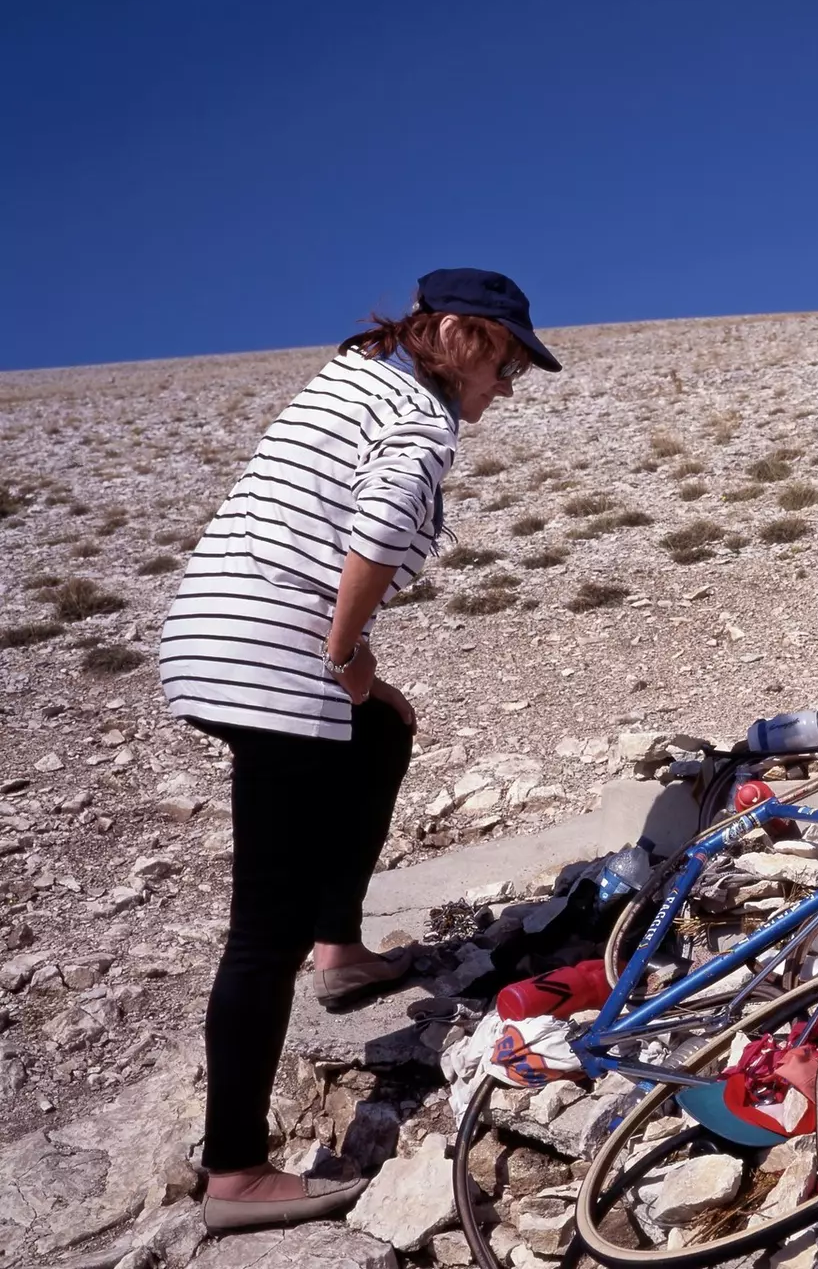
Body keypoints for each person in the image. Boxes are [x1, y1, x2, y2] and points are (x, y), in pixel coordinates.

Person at [157, 269, 561, 1231]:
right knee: (262, 933)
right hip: (268, 663)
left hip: (215, 635)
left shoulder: (353, 380)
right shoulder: (418, 423)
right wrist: (343, 653)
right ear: (459, 334)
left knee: (381, 728)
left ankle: (341, 947)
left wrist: (361, 678)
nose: (507, 387)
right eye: (506, 361)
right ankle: (237, 1173)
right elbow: (376, 535)